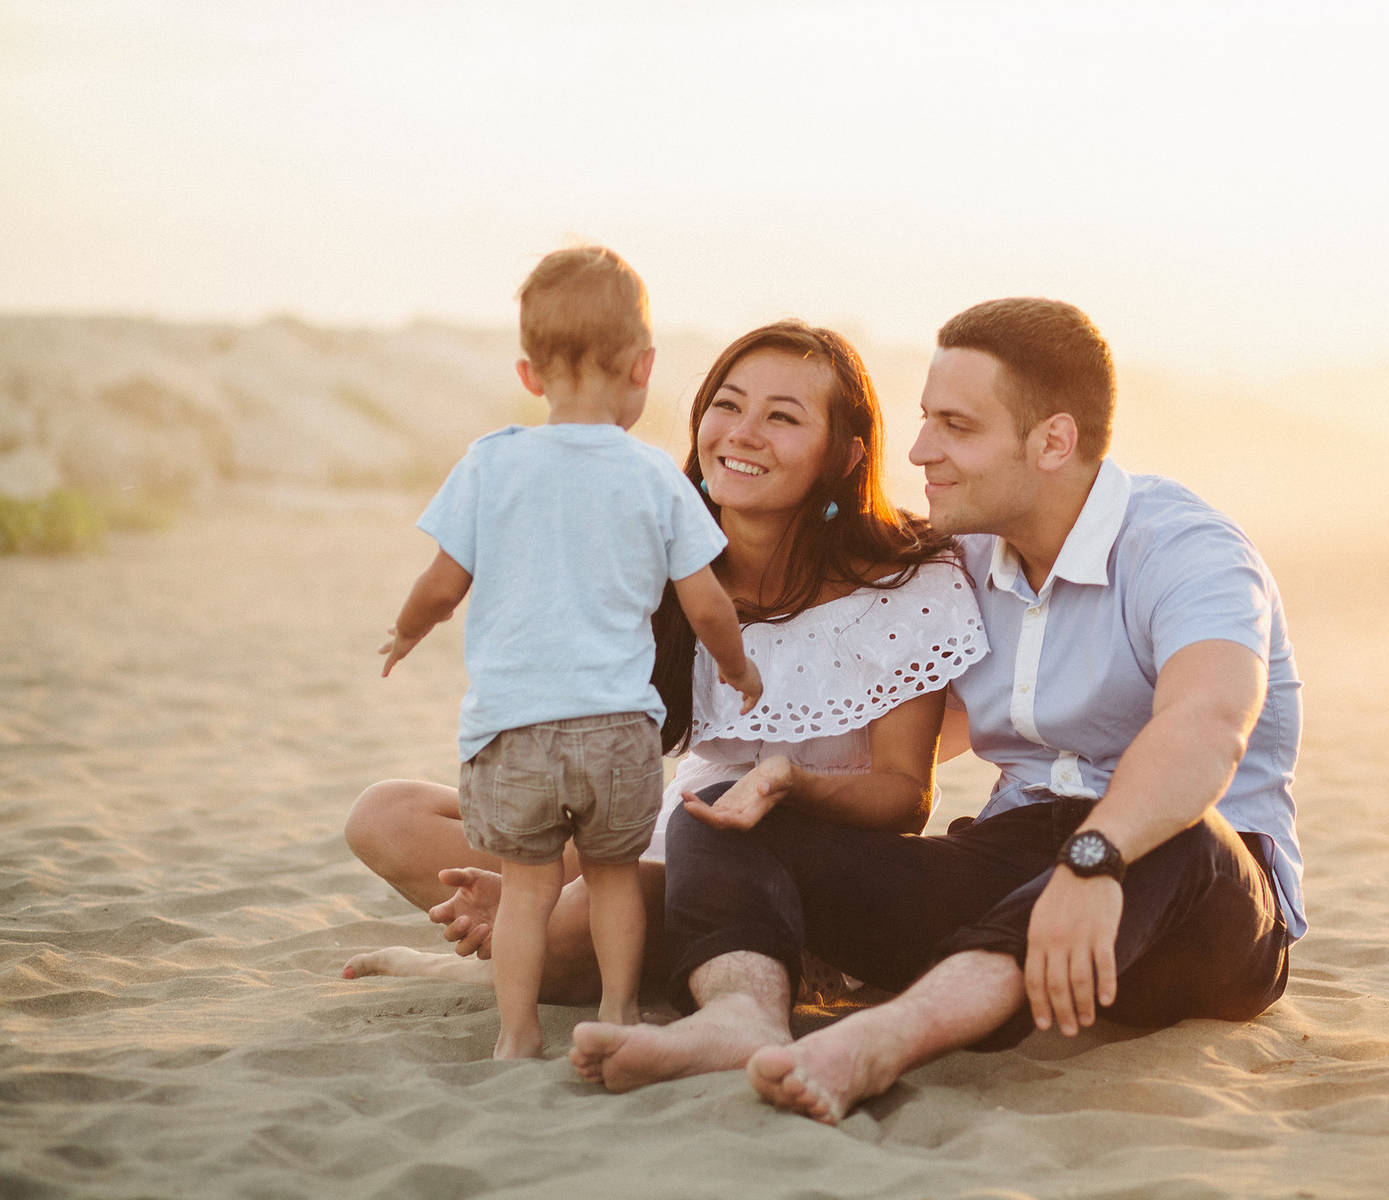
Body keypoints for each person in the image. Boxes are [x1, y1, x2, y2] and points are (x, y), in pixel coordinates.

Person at [582, 297, 1302, 1123]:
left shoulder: (1187, 551)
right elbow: (865, 669)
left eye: (956, 427)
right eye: (925, 420)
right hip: (1014, 865)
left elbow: (1206, 724)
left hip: (1195, 898)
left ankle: (884, 1038)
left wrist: (1096, 857)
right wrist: (792, 782)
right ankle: (740, 1015)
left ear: (1053, 441)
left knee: (1178, 829)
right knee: (726, 812)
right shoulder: (959, 558)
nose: (920, 451)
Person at [342, 320, 989, 1048]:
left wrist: (792, 786)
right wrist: (538, 863)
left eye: (782, 417)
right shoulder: (659, 565)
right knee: (385, 814)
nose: (743, 433)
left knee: (573, 926)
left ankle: (515, 955)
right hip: (657, 829)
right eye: (727, 404)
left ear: (845, 456)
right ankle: (539, 927)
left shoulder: (905, 584)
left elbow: (905, 797)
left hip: (780, 865)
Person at [377, 245, 762, 1058]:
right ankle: (619, 1012)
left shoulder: (491, 462)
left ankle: (516, 1037)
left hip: (514, 728)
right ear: (643, 367)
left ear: (529, 374)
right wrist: (735, 666)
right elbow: (706, 603)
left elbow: (443, 585)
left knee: (526, 891)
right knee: (612, 876)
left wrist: (408, 631)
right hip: (618, 728)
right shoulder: (655, 477)